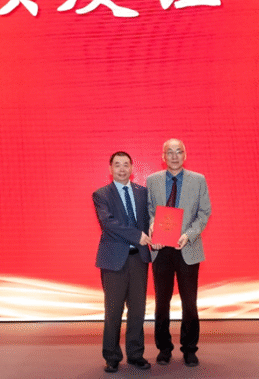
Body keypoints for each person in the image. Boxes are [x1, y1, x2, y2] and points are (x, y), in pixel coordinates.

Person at [147, 139, 211, 367]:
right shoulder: (152, 180)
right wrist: (152, 225)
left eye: (178, 151)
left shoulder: (198, 180)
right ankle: (164, 348)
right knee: (161, 303)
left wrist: (189, 234)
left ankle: (189, 349)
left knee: (189, 303)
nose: (174, 156)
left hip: (188, 248)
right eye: (169, 152)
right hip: (161, 250)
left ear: (185, 155)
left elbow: (204, 213)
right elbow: (149, 210)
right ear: (163, 156)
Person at [93, 151, 153, 373]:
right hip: (113, 261)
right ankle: (112, 356)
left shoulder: (143, 193)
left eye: (125, 164)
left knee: (138, 310)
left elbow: (150, 220)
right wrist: (137, 236)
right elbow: (108, 224)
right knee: (113, 311)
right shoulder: (101, 194)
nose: (121, 168)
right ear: (110, 169)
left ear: (132, 168)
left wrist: (158, 232)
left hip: (139, 259)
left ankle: (136, 354)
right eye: (117, 165)